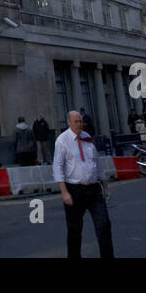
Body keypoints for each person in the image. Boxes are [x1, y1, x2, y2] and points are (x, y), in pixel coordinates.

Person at [53, 110, 112, 258]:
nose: (80, 124)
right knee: (74, 229)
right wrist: (64, 192)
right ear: (68, 122)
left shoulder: (87, 138)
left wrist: (104, 184)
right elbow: (57, 167)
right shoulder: (62, 140)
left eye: (81, 121)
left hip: (93, 189)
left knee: (103, 225)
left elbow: (96, 162)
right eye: (76, 121)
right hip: (74, 189)